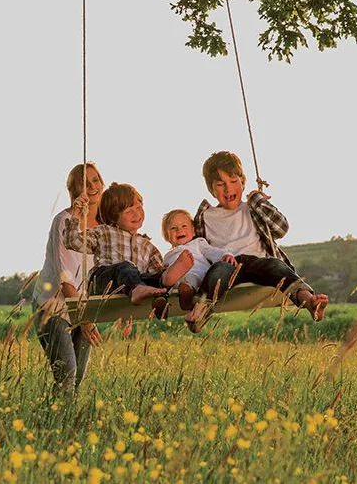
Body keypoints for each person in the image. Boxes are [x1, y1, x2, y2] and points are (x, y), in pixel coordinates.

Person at [194, 151, 329, 322]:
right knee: (217, 272)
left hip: (258, 262)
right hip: (227, 263)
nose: (228, 188)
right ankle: (199, 313)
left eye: (234, 181)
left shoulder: (252, 208)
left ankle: (309, 301)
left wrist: (258, 200)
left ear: (242, 182)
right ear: (211, 189)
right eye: (221, 184)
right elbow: (197, 248)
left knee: (276, 266)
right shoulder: (205, 216)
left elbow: (281, 228)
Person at [63, 183, 193, 317]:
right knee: (126, 267)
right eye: (129, 211)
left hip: (135, 287)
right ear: (113, 216)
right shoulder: (103, 231)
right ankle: (137, 288)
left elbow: (154, 271)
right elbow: (72, 242)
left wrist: (162, 277)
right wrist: (76, 215)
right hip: (105, 282)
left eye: (139, 207)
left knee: (155, 277)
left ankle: (164, 285)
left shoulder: (147, 246)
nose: (137, 214)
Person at [32, 163, 103, 393]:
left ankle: (65, 424)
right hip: (53, 307)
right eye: (83, 183)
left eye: (95, 180)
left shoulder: (105, 229)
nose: (91, 186)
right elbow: (65, 278)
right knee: (67, 376)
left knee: (77, 379)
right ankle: (52, 425)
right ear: (74, 190)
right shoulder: (63, 222)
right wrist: (84, 320)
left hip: (84, 309)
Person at [159, 208, 236, 331]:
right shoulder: (168, 256)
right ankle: (185, 297)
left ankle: (187, 295)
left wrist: (224, 255)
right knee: (171, 278)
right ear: (167, 237)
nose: (179, 230)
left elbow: (211, 251)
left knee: (191, 277)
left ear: (193, 231)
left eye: (184, 226)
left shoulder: (198, 243)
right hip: (178, 281)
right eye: (173, 228)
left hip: (200, 277)